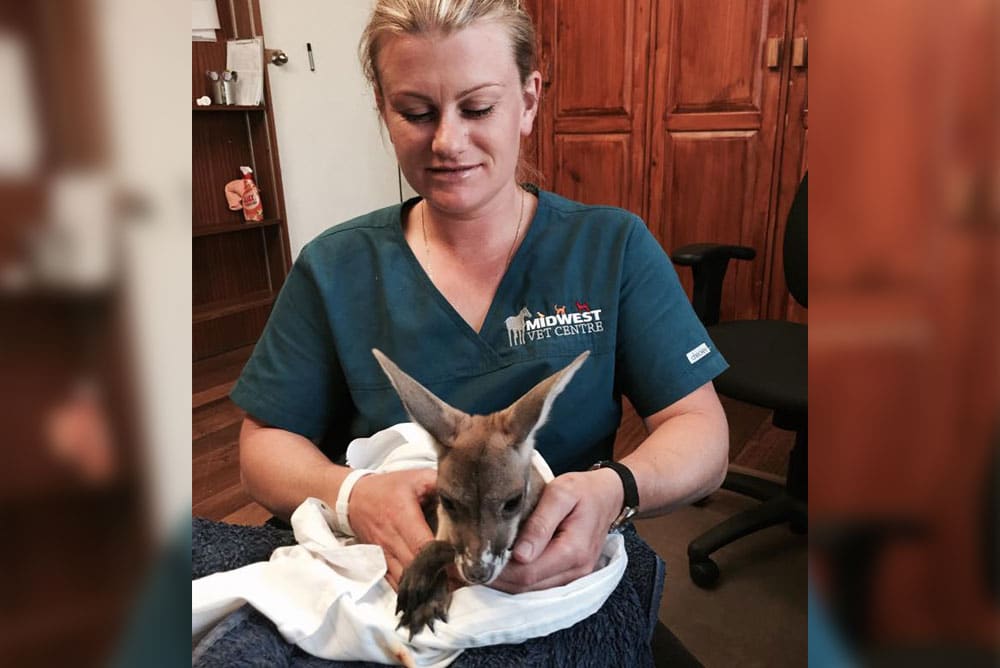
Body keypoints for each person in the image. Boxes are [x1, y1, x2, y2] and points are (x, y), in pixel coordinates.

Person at [231, 0, 729, 597]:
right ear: (383, 110)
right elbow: (263, 445)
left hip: (549, 575)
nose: (447, 141)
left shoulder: (610, 246)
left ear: (529, 100)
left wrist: (613, 490)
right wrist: (351, 494)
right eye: (415, 112)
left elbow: (700, 430)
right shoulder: (336, 267)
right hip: (395, 583)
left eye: (479, 108)